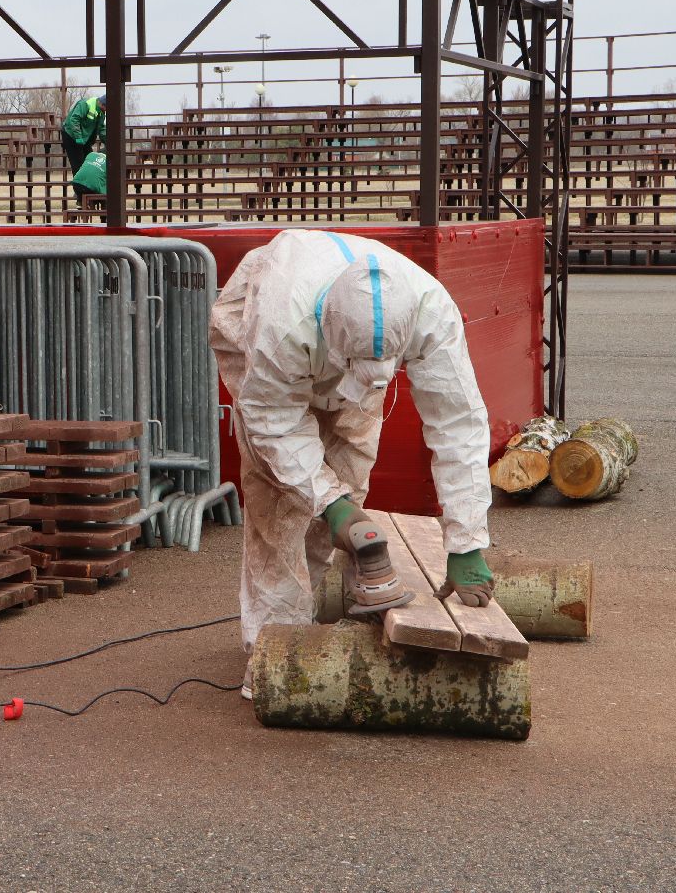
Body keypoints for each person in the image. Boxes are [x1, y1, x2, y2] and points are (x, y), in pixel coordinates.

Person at [208, 229, 495, 692]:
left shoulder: (429, 312)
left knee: (347, 479)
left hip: (349, 345)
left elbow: (458, 424)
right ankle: (275, 659)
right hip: (258, 331)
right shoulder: (280, 328)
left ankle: (317, 620)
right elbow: (273, 422)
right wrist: (329, 501)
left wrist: (466, 540)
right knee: (279, 503)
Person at [60, 94, 108, 175]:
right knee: (78, 165)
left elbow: (101, 128)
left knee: (90, 162)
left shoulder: (101, 112)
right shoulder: (85, 104)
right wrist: (78, 138)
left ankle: (87, 186)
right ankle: (79, 186)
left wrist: (108, 142)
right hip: (70, 135)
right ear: (102, 104)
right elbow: (74, 119)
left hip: (84, 138)